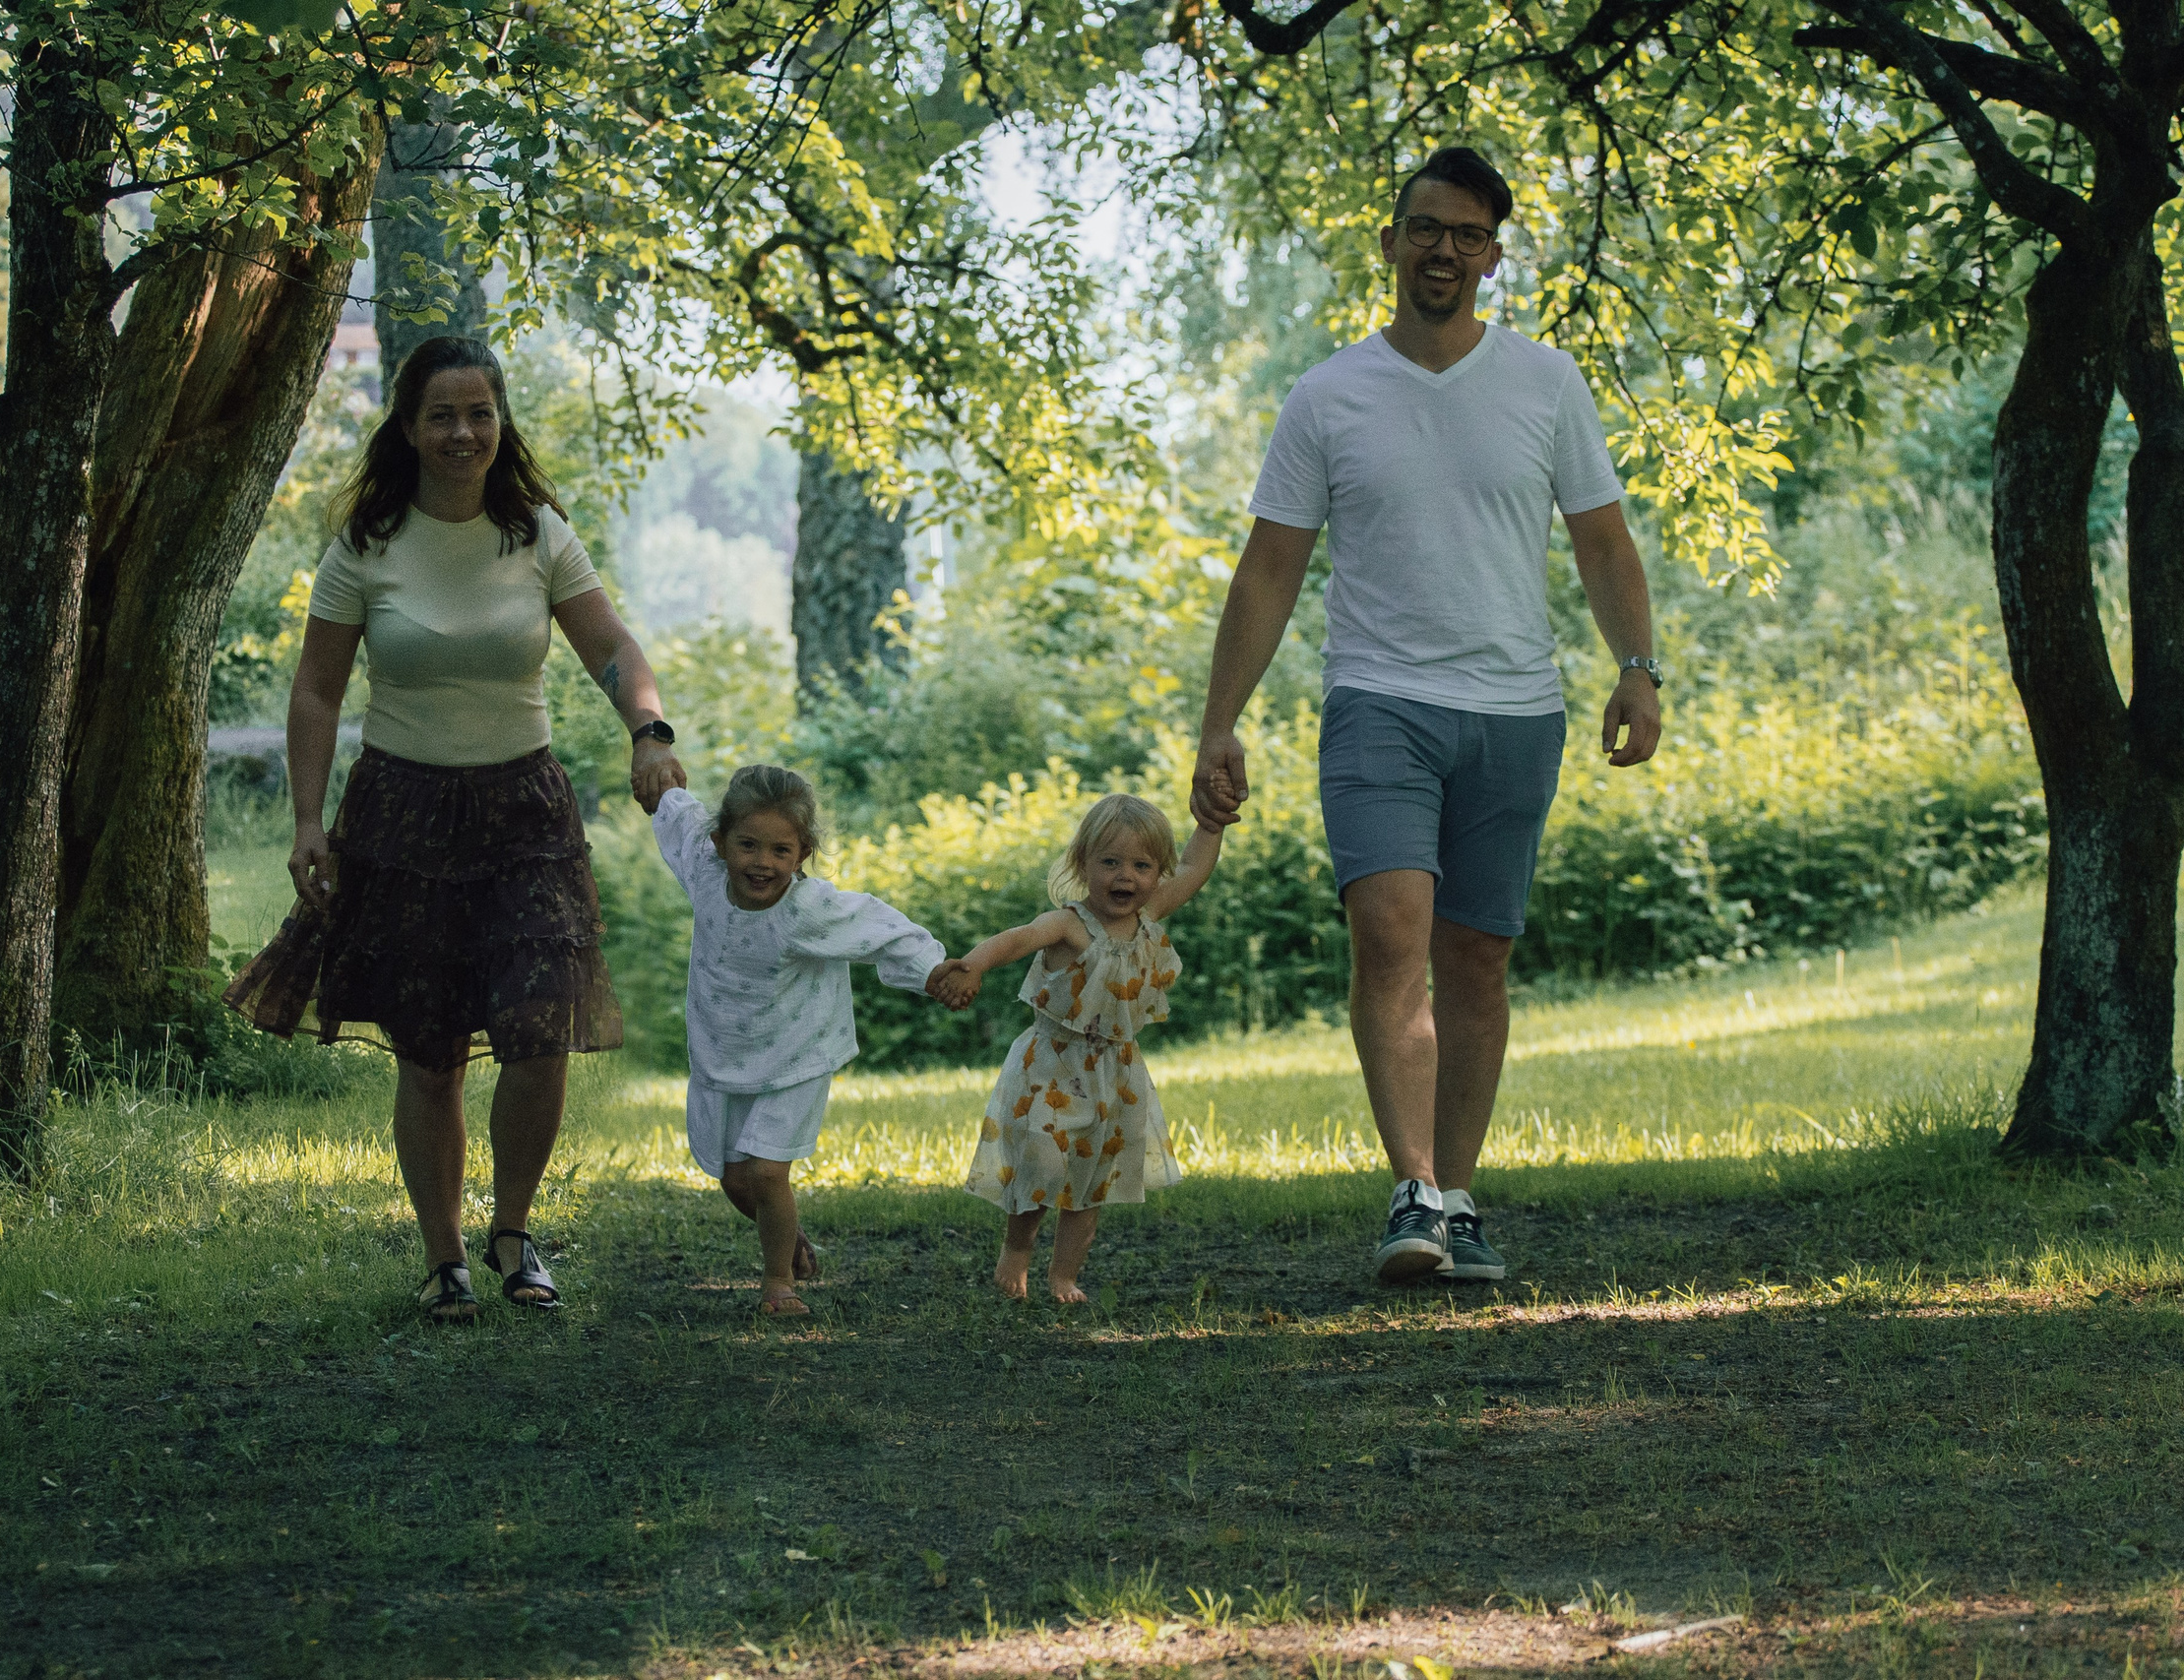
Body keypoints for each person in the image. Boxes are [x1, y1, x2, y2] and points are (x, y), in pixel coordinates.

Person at [1188, 146, 1663, 1286]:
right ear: (1390, 244)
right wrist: (1219, 724)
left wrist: (1638, 669)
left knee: (1478, 959)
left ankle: (1454, 1201)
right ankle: (1409, 1187)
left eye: (1466, 234)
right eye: (1425, 229)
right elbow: (1267, 573)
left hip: (1514, 710)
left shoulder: (1546, 383)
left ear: (1492, 255)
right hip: (1377, 703)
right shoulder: (1329, 393)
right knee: (1390, 931)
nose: (1443, 249)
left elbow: (1602, 539)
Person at [226, 336, 687, 1322]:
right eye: (442, 414)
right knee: (428, 1049)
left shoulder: (537, 535)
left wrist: (648, 732)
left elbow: (610, 647)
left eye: (480, 412)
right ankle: (444, 1262)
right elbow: (315, 690)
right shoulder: (367, 543)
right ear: (407, 425)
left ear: (500, 421)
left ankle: (516, 1235)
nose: (463, 431)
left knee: (539, 1032)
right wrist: (308, 822)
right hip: (402, 813)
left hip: (524, 810)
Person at [648, 765, 946, 1316]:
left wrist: (934, 972)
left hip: (798, 1055)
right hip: (724, 1053)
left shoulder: (808, 908)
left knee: (766, 1171)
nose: (762, 862)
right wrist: (658, 782)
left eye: (780, 850)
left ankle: (777, 1283)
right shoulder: (706, 873)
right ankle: (788, 1240)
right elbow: (679, 820)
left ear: (803, 852)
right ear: (721, 843)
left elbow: (879, 926)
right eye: (748, 845)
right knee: (737, 1182)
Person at [930, 793, 1224, 1302]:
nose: (1124, 877)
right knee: (1042, 1161)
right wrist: (972, 965)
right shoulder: (1068, 923)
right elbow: (1017, 939)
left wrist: (1212, 822)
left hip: (1117, 1069)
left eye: (1141, 865)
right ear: (1083, 864)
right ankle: (1016, 1251)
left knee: (1093, 1179)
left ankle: (1063, 1275)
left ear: (1158, 873)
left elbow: (1197, 866)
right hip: (1052, 1062)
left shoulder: (1150, 915)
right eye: (1109, 862)